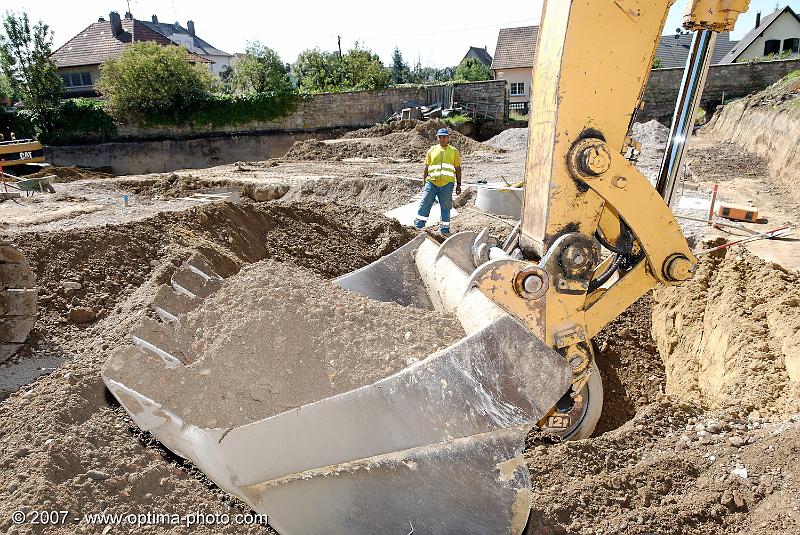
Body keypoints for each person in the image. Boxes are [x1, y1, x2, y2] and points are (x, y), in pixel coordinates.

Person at [414, 127, 462, 235]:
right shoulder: (432, 150)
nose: (443, 139)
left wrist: (458, 185)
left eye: (444, 137)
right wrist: (424, 183)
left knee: (446, 206)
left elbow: (458, 169)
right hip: (432, 182)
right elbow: (426, 167)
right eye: (440, 137)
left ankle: (444, 230)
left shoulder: (453, 151)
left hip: (447, 184)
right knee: (425, 202)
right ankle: (418, 226)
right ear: (437, 138)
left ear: (448, 138)